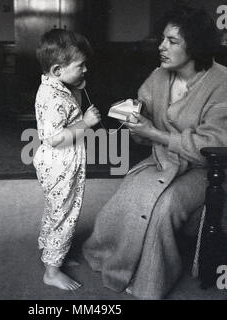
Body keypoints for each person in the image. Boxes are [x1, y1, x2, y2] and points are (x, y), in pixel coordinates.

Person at [82, 5, 227, 299]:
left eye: (172, 41)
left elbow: (215, 144)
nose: (161, 47)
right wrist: (134, 120)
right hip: (162, 161)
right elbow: (142, 119)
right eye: (162, 39)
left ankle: (151, 283)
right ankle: (105, 257)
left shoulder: (222, 82)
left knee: (163, 207)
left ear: (195, 45)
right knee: (128, 195)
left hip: (208, 171)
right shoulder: (159, 75)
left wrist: (154, 133)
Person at [33, 29, 101, 290]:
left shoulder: (57, 86)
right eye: (80, 65)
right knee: (65, 213)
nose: (85, 69)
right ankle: (51, 271)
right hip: (59, 163)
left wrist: (77, 87)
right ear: (58, 69)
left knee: (56, 209)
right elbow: (53, 138)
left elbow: (66, 112)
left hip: (62, 162)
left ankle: (52, 254)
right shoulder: (51, 97)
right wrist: (86, 122)